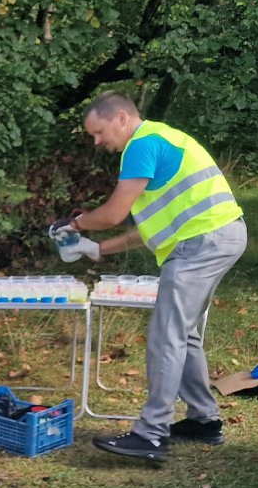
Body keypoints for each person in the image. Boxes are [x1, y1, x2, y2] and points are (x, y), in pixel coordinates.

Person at [57, 92, 247, 462]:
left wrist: (74, 225)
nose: (96, 142)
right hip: (217, 236)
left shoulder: (141, 145)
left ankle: (151, 434)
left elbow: (113, 214)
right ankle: (204, 421)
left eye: (98, 132)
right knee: (184, 332)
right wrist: (97, 249)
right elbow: (147, 229)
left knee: (166, 335)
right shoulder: (162, 139)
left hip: (201, 242)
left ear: (121, 118)